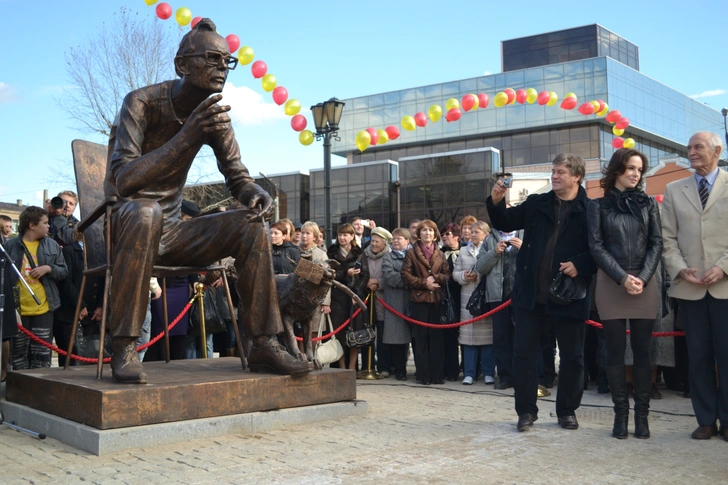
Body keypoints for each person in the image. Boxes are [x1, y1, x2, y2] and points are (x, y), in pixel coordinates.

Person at [103, 19, 309, 382]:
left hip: (174, 233)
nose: (221, 69)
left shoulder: (214, 117)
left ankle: (262, 342)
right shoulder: (142, 102)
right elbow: (124, 181)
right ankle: (123, 345)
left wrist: (255, 194)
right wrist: (187, 136)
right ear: (182, 65)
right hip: (129, 225)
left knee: (249, 223)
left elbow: (237, 176)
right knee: (146, 211)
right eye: (211, 58)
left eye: (226, 61)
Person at [487, 153, 596, 432]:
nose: (554, 176)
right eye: (553, 171)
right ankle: (525, 411)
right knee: (523, 354)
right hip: (530, 295)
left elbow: (600, 249)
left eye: (560, 172)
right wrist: (497, 200)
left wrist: (580, 264)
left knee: (572, 357)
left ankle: (567, 411)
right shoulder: (537, 203)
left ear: (577, 176)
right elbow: (505, 221)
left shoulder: (591, 209)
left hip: (569, 295)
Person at [587, 148, 662, 439]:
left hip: (644, 282)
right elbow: (596, 246)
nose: (635, 174)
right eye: (631, 168)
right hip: (611, 282)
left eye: (640, 170)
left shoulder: (649, 204)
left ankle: (642, 418)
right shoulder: (598, 206)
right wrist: (621, 277)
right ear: (617, 169)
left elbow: (656, 243)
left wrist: (641, 277)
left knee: (644, 351)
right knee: (614, 350)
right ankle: (620, 416)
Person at [661, 132, 728, 441]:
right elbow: (667, 239)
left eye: (698, 147)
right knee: (698, 356)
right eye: (688, 148)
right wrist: (678, 268)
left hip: (724, 287)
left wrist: (722, 267)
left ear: (717, 150)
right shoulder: (674, 190)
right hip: (689, 288)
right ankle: (705, 419)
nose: (691, 152)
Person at [5, 206, 68, 369]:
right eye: (45, 223)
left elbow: (63, 271)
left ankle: (41, 390)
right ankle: (20, 389)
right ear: (32, 225)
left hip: (44, 308)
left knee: (41, 353)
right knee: (18, 354)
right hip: (19, 310)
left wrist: (48, 268)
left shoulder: (52, 245)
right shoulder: (9, 246)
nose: (49, 226)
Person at [401, 220, 451, 385]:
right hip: (419, 300)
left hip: (437, 301)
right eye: (424, 230)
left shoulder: (441, 253)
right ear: (419, 234)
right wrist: (424, 283)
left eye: (430, 230)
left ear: (434, 234)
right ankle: (423, 375)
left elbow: (446, 275)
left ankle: (437, 375)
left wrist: (436, 278)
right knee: (421, 339)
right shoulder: (411, 253)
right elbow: (406, 275)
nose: (427, 233)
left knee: (437, 338)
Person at [476, 224, 522, 390]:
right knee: (501, 338)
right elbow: (480, 267)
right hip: (498, 297)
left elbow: (540, 260)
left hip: (522, 296)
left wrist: (523, 248)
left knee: (524, 338)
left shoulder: (527, 233)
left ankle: (525, 377)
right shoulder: (490, 239)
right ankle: (505, 376)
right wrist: (494, 252)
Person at [454, 221, 495, 385]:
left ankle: (488, 372)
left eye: (476, 231)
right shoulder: (463, 251)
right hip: (468, 298)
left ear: (486, 234)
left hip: (487, 297)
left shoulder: (491, 249)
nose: (472, 234)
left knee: (487, 338)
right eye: (471, 231)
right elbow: (455, 274)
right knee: (468, 338)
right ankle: (469, 373)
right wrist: (464, 276)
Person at [354, 227, 392, 376]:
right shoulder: (363, 255)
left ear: (384, 243)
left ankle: (384, 366)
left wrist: (378, 282)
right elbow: (357, 274)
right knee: (366, 333)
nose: (374, 244)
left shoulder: (389, 255)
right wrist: (367, 283)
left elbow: (390, 276)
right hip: (366, 299)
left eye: (377, 241)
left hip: (383, 300)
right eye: (373, 241)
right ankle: (366, 365)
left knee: (382, 334)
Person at [327, 223, 362, 370]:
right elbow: (329, 274)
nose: (342, 238)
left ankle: (352, 367)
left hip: (354, 296)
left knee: (354, 333)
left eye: (346, 235)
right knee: (339, 333)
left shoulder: (359, 252)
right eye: (340, 235)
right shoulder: (331, 252)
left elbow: (364, 275)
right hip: (337, 297)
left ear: (352, 236)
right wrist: (345, 273)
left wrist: (357, 293)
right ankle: (341, 366)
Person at [381, 228, 413, 380]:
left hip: (414, 300)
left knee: (415, 337)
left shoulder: (414, 256)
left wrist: (410, 280)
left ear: (407, 241)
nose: (395, 241)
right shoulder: (388, 258)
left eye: (399, 238)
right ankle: (400, 370)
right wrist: (410, 281)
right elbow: (390, 277)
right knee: (397, 338)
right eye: (394, 238)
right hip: (394, 302)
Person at [299, 221, 331, 345]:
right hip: (297, 299)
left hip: (315, 299)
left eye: (308, 233)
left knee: (313, 332)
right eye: (303, 233)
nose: (304, 236)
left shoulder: (321, 254)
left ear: (315, 236)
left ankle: (312, 359)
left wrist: (326, 303)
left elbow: (327, 281)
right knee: (299, 333)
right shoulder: (294, 251)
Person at [440, 222, 462, 381]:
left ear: (456, 236)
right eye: (443, 234)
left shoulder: (466, 250)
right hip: (446, 297)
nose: (444, 237)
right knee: (447, 335)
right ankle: (448, 369)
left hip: (464, 295)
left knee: (465, 336)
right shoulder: (439, 253)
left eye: (447, 234)